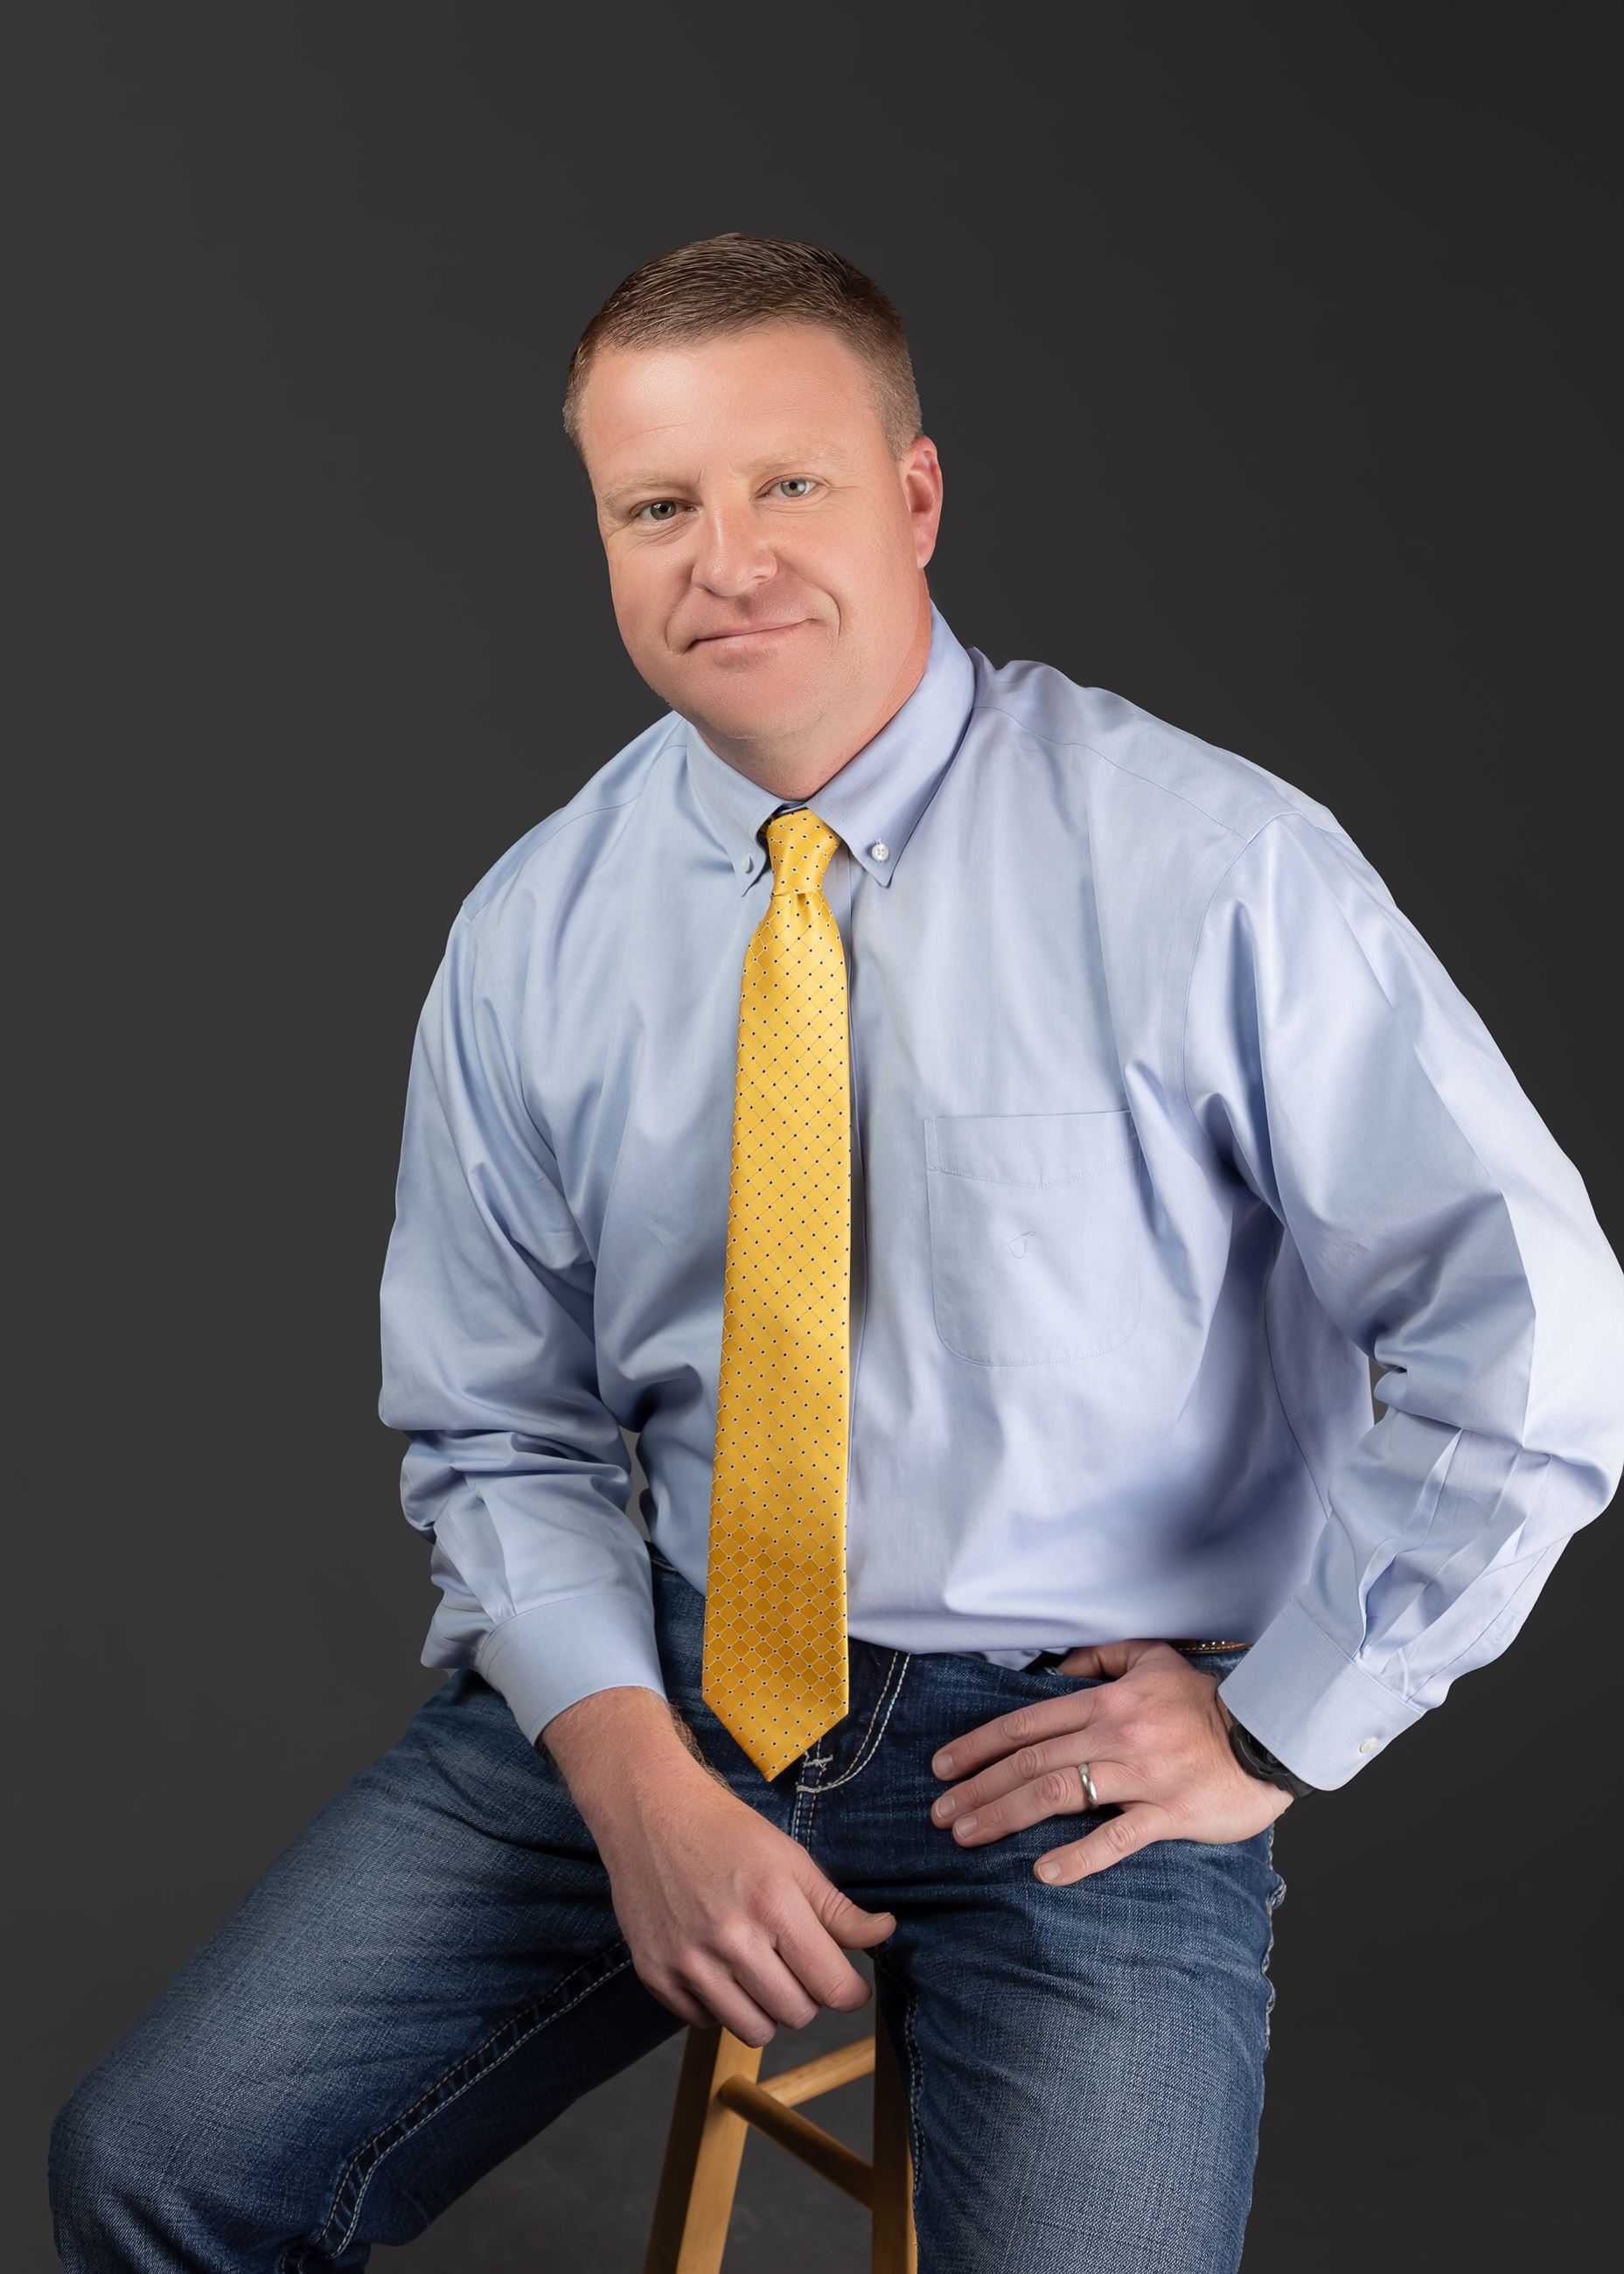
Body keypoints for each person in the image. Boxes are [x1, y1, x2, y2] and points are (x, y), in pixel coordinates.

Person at [49, 231, 1624, 2273]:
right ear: (604, 538)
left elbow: (1534, 1327)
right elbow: (496, 1425)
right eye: (656, 507)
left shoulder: (1204, 864)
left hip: (1056, 1756)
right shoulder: (535, 931)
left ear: (912, 497)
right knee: (157, 2165)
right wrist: (628, 1776)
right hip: (669, 1687)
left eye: (785, 483)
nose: (726, 559)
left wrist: (1266, 1725)